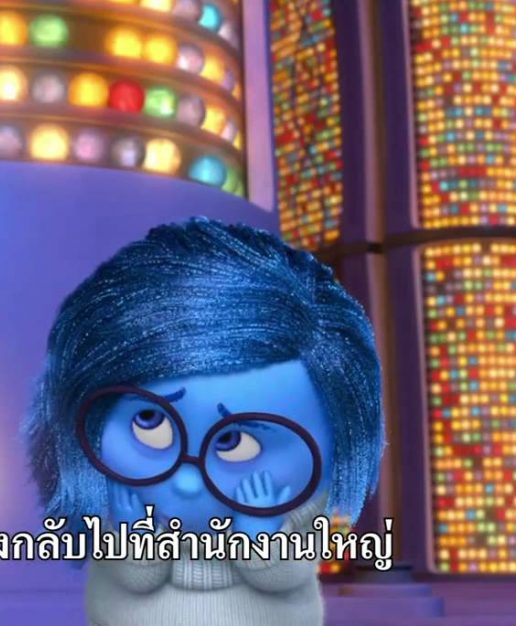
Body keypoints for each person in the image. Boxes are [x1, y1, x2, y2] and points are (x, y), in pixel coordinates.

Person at [23, 218, 385, 626]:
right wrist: (134, 538)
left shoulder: (294, 511)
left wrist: (259, 536)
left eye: (234, 442)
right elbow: (131, 578)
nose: (187, 481)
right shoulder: (119, 501)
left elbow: (284, 576)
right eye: (150, 422)